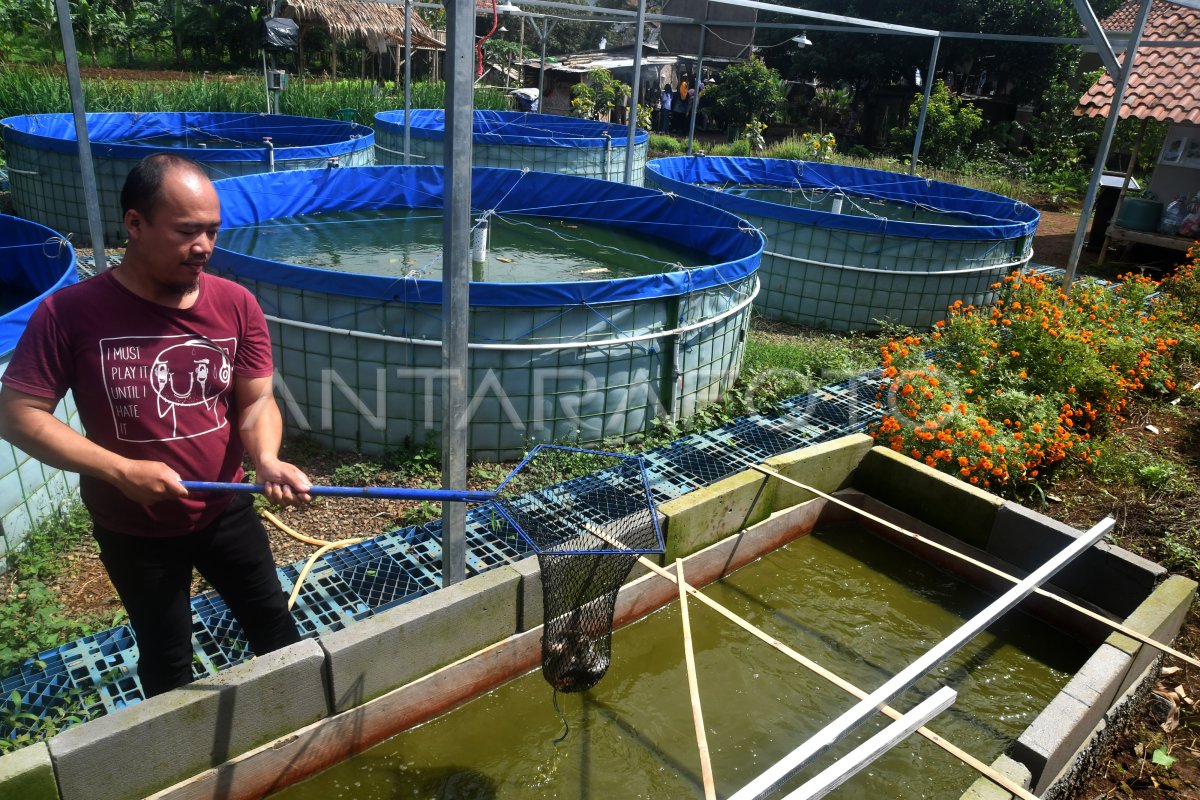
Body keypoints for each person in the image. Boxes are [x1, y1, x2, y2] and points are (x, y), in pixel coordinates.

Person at [0, 153, 311, 698]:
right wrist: (119, 470)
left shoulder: (236, 305)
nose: (205, 248)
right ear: (135, 224)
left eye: (212, 231)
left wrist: (265, 458)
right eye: (187, 231)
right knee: (167, 656)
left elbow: (257, 400)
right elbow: (18, 413)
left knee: (274, 627)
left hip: (224, 508)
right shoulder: (68, 314)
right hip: (133, 525)